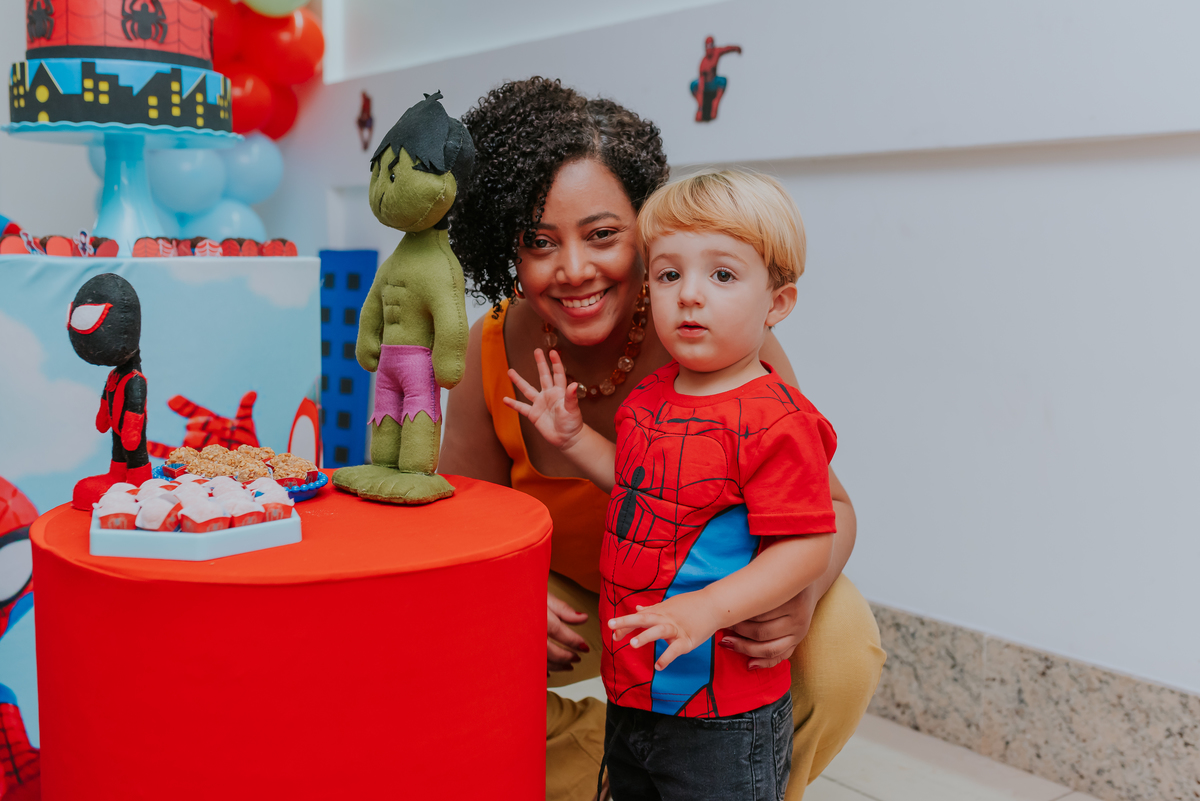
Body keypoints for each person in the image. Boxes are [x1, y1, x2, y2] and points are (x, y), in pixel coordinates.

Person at [440, 77, 885, 801]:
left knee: (841, 649)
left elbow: (828, 509)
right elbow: (461, 524)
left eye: (603, 235)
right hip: (569, 607)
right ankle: (611, 761)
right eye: (539, 241)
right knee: (437, 656)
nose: (575, 268)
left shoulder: (731, 349)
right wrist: (505, 594)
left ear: (647, 232)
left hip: (703, 600)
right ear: (504, 243)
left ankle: (742, 782)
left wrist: (801, 594)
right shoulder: (484, 352)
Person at [506, 170, 838, 799]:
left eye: (722, 275)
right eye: (668, 275)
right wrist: (574, 439)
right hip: (636, 684)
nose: (689, 296)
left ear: (777, 304)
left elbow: (806, 545)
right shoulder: (652, 395)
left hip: (722, 706)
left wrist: (708, 609)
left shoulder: (777, 419)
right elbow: (636, 484)